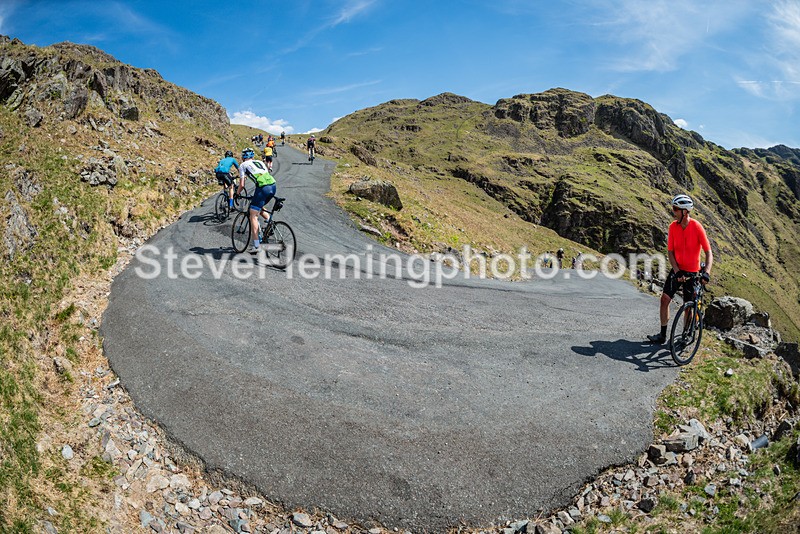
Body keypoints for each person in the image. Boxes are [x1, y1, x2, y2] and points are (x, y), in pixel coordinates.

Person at [647, 194, 713, 344]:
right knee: (664, 299)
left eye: (676, 209)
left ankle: (686, 334)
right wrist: (677, 271)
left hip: (693, 272)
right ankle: (662, 335)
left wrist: (707, 272)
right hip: (678, 270)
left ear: (685, 211)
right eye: (673, 208)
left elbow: (709, 252)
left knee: (688, 307)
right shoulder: (673, 227)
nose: (673, 211)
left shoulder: (697, 227)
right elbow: (670, 252)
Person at [236, 148, 276, 252]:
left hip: (262, 188)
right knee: (258, 206)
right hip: (273, 186)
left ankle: (257, 246)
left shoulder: (242, 165)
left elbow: (242, 184)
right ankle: (270, 223)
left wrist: (237, 194)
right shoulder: (260, 162)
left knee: (253, 215)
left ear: (243, 157)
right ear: (252, 156)